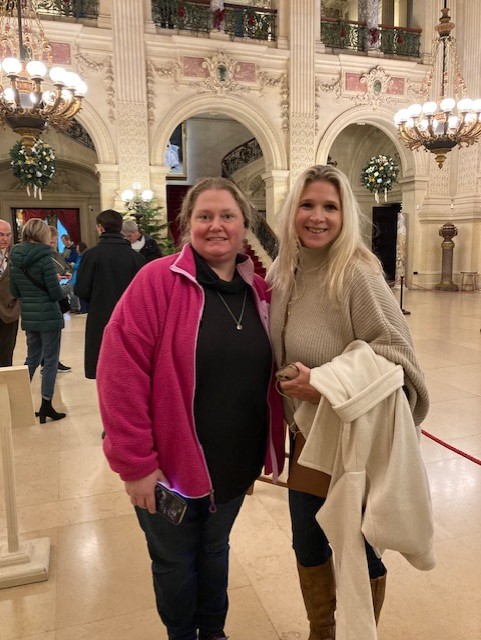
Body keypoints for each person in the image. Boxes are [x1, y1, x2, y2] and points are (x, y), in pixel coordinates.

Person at [96, 177, 285, 640]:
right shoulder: (157, 281)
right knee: (175, 561)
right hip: (168, 467)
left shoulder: (261, 292)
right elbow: (120, 374)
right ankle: (181, 634)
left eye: (227, 216)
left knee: (216, 549)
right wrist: (136, 465)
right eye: (205, 216)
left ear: (244, 226)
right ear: (188, 225)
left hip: (234, 462)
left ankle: (214, 631)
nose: (216, 226)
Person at [267, 165, 431, 639]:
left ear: (345, 216)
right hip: (306, 438)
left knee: (360, 547)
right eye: (307, 205)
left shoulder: (357, 273)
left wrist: (325, 382)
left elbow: (399, 355)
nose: (317, 217)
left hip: (353, 439)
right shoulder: (285, 273)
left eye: (330, 207)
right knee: (307, 543)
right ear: (291, 211)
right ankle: (322, 630)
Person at [9, 218, 71, 423]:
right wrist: (68, 286)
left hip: (29, 315)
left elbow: (14, 291)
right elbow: (55, 293)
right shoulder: (45, 258)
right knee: (51, 361)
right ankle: (46, 405)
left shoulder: (15, 257)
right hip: (49, 317)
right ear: (43, 234)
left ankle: (15, 403)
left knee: (32, 358)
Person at [74, 209, 145, 379]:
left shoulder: (91, 255)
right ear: (120, 228)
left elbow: (81, 289)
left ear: (100, 228)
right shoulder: (136, 258)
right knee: (128, 369)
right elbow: (144, 293)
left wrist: (95, 299)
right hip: (129, 319)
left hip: (100, 317)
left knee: (103, 369)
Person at [48, 225, 72, 372]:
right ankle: (48, 363)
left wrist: (66, 273)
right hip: (49, 298)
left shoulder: (55, 254)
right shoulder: (42, 256)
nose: (53, 245)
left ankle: (53, 361)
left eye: (54, 242)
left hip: (59, 294)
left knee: (55, 333)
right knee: (47, 336)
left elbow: (64, 266)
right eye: (51, 242)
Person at [0, 220, 20, 367]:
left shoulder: (16, 256)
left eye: (8, 235)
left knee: (6, 353)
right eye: (1, 235)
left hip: (9, 311)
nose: (5, 239)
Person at [69, 241, 88, 313]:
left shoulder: (82, 256)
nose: (76, 249)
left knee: (79, 294)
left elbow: (80, 265)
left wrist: (73, 265)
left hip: (79, 277)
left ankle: (82, 308)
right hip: (79, 276)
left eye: (77, 247)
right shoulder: (82, 255)